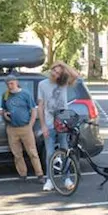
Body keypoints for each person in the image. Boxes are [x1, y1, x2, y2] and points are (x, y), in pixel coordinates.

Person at [38, 61, 79, 192]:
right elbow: (41, 106)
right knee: (50, 153)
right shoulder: (42, 85)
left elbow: (75, 75)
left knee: (65, 149)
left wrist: (62, 64)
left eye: (57, 73)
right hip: (49, 123)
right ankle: (49, 179)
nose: (54, 74)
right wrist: (43, 125)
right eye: (53, 71)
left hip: (63, 122)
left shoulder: (63, 84)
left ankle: (66, 178)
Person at [1, 72, 44, 184]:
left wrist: (31, 124)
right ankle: (22, 174)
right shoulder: (5, 95)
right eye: (8, 84)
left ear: (16, 83)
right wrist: (5, 114)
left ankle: (39, 174)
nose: (10, 86)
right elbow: (4, 109)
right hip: (12, 128)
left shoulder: (25, 94)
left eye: (12, 83)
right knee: (17, 153)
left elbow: (33, 109)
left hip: (25, 126)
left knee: (32, 152)